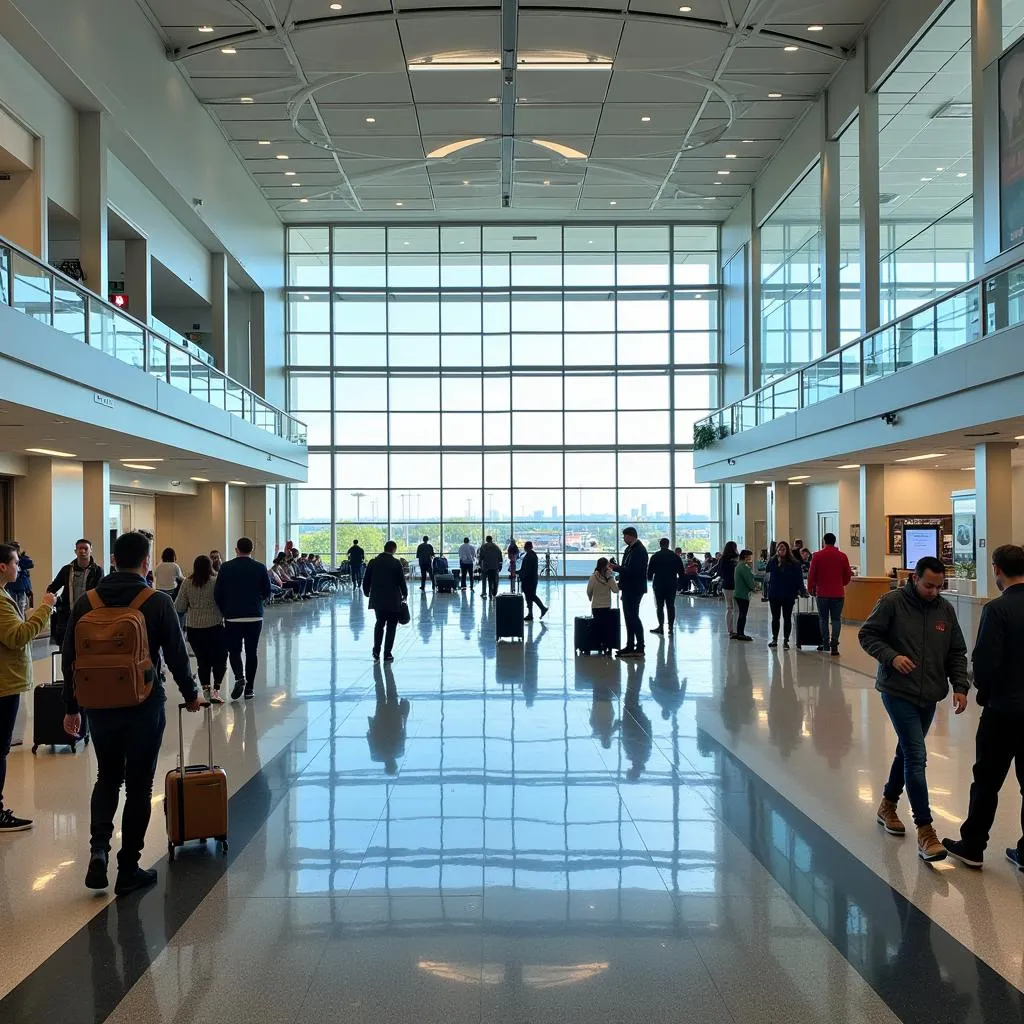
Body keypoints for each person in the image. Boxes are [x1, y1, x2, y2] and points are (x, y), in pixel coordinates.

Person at [61, 531, 200, 894]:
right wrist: (191, 694)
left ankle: (98, 851)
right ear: (145, 561)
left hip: (99, 705)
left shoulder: (87, 601)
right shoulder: (154, 601)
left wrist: (71, 707)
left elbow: (69, 657)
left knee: (107, 777)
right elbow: (176, 654)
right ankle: (128, 869)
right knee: (139, 786)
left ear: (111, 559)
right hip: (144, 704)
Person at [858, 556, 968, 864]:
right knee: (917, 756)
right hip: (898, 691)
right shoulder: (891, 602)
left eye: (939, 586)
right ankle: (925, 830)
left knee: (906, 752)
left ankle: (887, 804)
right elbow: (867, 635)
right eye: (928, 585)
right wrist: (891, 657)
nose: (934, 591)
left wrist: (960, 685)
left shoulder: (944, 609)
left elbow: (957, 650)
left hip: (929, 693)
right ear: (914, 579)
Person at [943, 545, 1024, 870]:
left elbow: (987, 663)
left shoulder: (997, 610)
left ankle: (973, 845)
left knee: (987, 779)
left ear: (996, 570)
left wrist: (982, 693)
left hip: (1003, 711)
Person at [0, 544, 55, 833]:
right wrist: (45, 608)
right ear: (2, 566)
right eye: (16, 563)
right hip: (4, 684)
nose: (19, 568)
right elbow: (18, 636)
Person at [214, 537, 272, 701]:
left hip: (232, 617)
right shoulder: (260, 567)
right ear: (251, 550)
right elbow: (267, 591)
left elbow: (218, 593)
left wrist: (225, 610)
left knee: (234, 650)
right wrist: (257, 600)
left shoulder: (226, 567)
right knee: (252, 652)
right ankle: (250, 689)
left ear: (236, 549)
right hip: (254, 616)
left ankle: (239, 677)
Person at [175, 555, 227, 704]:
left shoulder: (186, 583)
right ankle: (216, 690)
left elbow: (179, 607)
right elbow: (224, 602)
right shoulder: (216, 581)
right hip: (215, 627)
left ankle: (205, 690)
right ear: (210, 566)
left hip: (194, 629)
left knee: (202, 661)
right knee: (220, 659)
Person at [46, 539, 104, 649]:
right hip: (68, 615)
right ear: (75, 551)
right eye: (80, 548)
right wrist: (52, 600)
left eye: (85, 548)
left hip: (90, 615)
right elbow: (53, 587)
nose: (82, 551)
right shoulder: (67, 570)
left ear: (91, 550)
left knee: (87, 646)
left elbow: (101, 591)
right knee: (66, 648)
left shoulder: (98, 571)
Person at [807, 532, 852, 656]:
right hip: (838, 593)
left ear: (824, 541)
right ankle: (835, 644)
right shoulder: (842, 556)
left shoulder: (817, 556)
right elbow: (848, 575)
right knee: (836, 620)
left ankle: (825, 643)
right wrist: (841, 584)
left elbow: (812, 574)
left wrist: (810, 587)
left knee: (823, 619)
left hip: (822, 593)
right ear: (834, 541)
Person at [362, 540, 407, 663]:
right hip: (393, 600)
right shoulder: (396, 563)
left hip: (378, 599)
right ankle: (387, 653)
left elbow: (366, 579)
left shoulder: (373, 562)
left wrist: (366, 591)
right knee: (391, 627)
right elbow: (401, 581)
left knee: (379, 624)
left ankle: (376, 650)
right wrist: (405, 594)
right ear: (394, 550)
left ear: (384, 548)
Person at [612, 527, 648, 659]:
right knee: (629, 618)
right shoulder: (631, 549)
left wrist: (615, 568)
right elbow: (628, 568)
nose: (623, 539)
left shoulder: (638, 550)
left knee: (633, 617)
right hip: (629, 588)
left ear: (631, 536)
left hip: (634, 589)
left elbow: (632, 571)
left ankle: (639, 647)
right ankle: (630, 645)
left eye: (624, 536)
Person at [765, 541, 803, 649]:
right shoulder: (772, 561)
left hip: (788, 595)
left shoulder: (794, 563)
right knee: (775, 618)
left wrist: (801, 590)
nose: (781, 550)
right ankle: (774, 639)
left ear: (787, 550)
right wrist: (766, 592)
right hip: (774, 594)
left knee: (787, 618)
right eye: (779, 548)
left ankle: (786, 640)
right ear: (777, 550)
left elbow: (798, 579)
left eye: (783, 548)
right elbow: (767, 577)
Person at [647, 538, 682, 635]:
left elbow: (649, 573)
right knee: (671, 606)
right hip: (671, 584)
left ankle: (661, 627)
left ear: (660, 544)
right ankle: (670, 627)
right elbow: (681, 572)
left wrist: (650, 578)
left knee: (659, 606)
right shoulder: (675, 556)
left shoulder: (655, 556)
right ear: (668, 544)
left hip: (659, 584)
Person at [586, 557, 619, 656]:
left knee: (597, 626)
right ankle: (606, 646)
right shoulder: (609, 578)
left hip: (596, 606)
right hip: (606, 606)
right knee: (606, 627)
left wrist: (590, 598)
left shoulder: (593, 577)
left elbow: (589, 591)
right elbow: (616, 590)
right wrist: (610, 578)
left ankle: (596, 644)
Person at [519, 541, 547, 622]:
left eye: (525, 546)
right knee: (529, 597)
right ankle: (530, 614)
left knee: (531, 596)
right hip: (532, 579)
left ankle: (542, 608)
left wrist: (521, 574)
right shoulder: (532, 555)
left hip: (529, 580)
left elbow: (527, 569)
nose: (524, 547)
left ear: (527, 547)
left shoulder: (530, 556)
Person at [732, 549, 756, 642]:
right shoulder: (744, 567)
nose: (750, 558)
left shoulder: (738, 566)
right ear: (746, 556)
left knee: (741, 613)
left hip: (738, 593)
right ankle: (741, 634)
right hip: (743, 594)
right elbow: (749, 580)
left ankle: (739, 632)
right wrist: (753, 587)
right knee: (743, 614)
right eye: (750, 556)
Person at [718, 541, 740, 635]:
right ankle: (736, 629)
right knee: (737, 609)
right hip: (736, 585)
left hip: (726, 585)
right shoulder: (737, 559)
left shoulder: (722, 559)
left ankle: (730, 630)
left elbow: (720, 572)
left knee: (729, 608)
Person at [6, 542, 33, 617]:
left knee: (21, 606)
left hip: (21, 587)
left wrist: (19, 557)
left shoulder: (22, 558)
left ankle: (20, 622)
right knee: (12, 606)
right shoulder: (8, 559)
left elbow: (30, 563)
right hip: (11, 585)